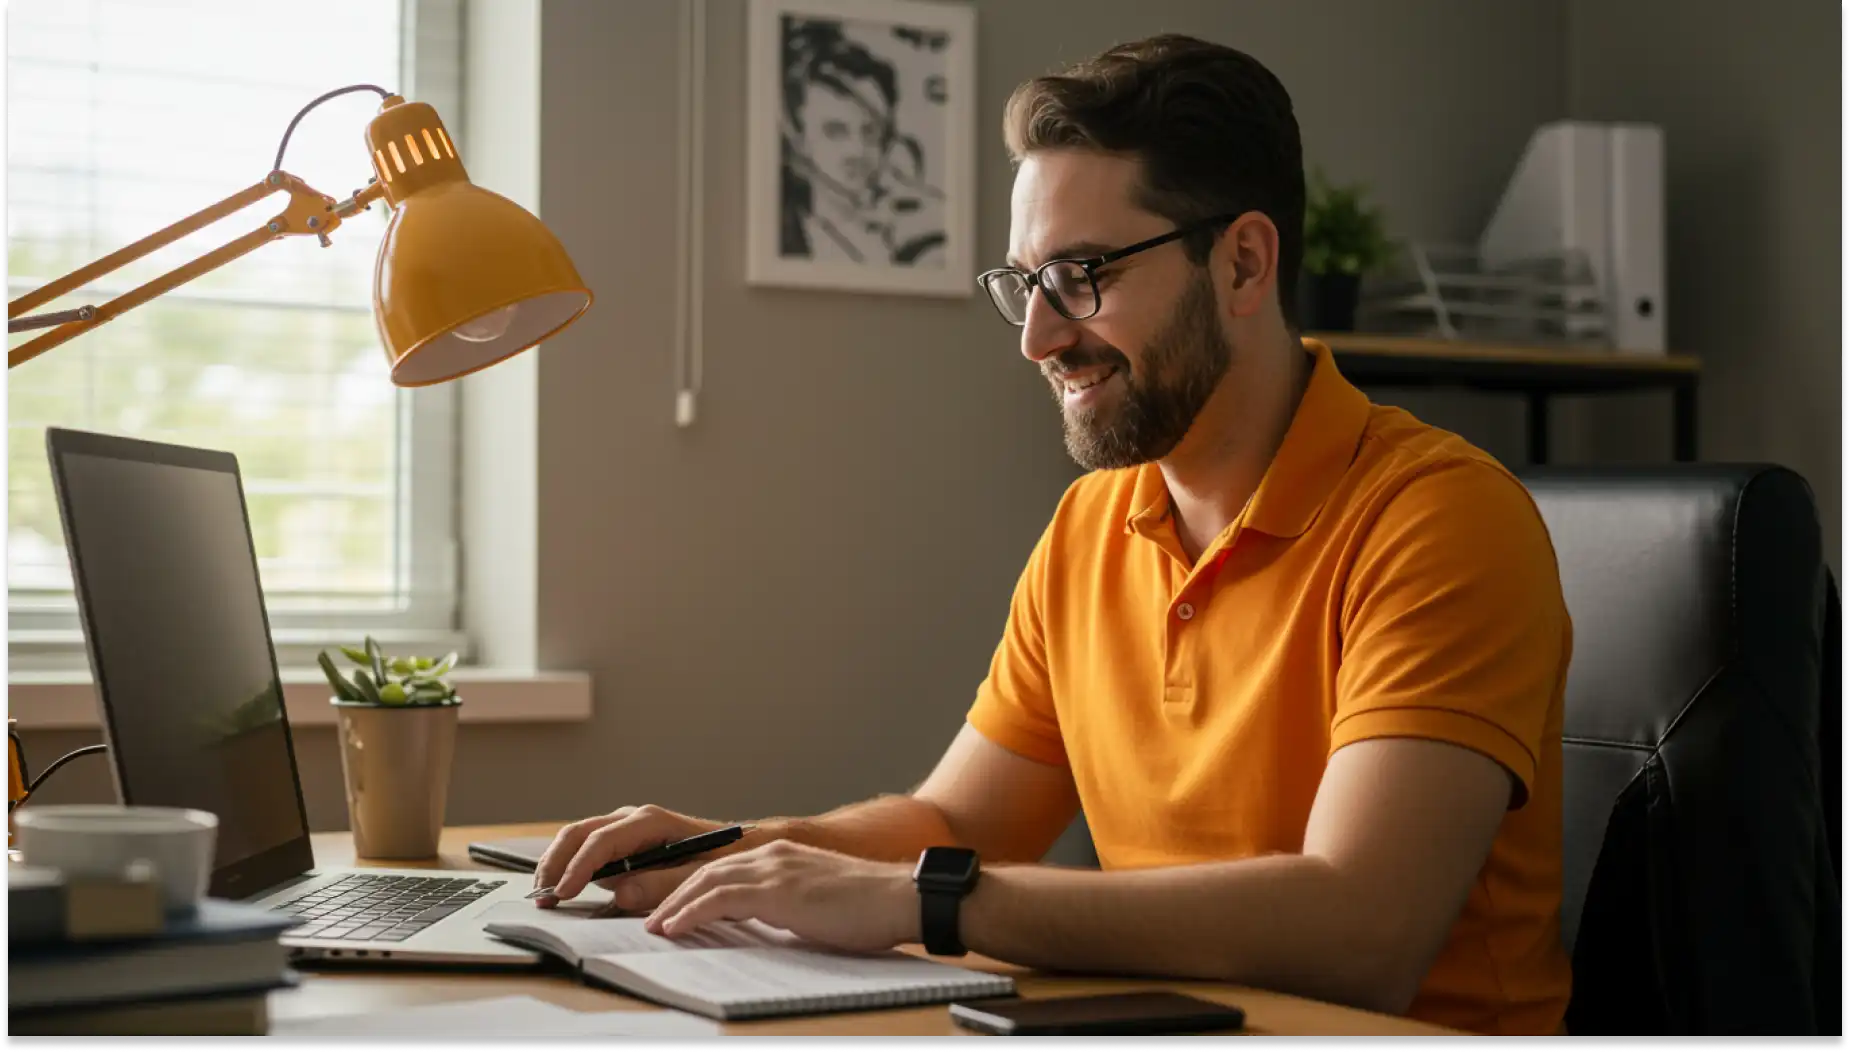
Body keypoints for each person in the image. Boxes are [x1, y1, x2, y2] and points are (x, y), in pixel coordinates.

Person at [536, 34, 1572, 1036]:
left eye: (1083, 274)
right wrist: (731, 848)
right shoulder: (1091, 525)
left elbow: (1362, 931)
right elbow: (954, 824)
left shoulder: (1437, 519)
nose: (1037, 335)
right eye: (1024, 282)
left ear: (1243, 264)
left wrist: (925, 901)